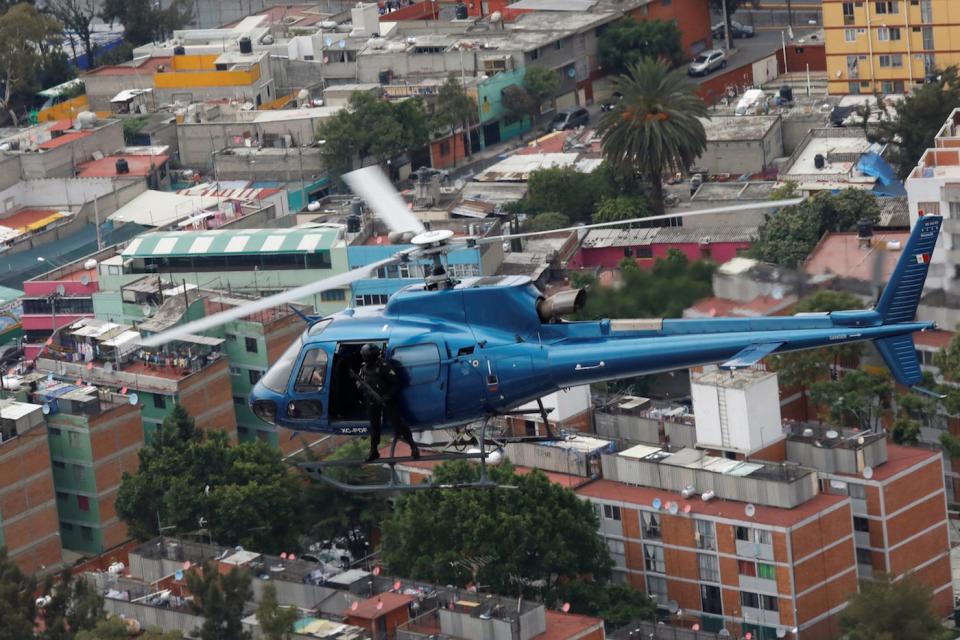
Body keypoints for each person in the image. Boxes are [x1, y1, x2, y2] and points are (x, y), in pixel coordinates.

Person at [357, 343, 420, 462]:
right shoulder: (363, 369)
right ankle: (374, 451)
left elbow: (396, 384)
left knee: (398, 424)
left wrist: (387, 397)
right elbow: (359, 382)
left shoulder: (384, 366)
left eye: (366, 356)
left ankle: (413, 447)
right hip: (372, 402)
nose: (364, 358)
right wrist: (361, 385)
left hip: (387, 401)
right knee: (374, 427)